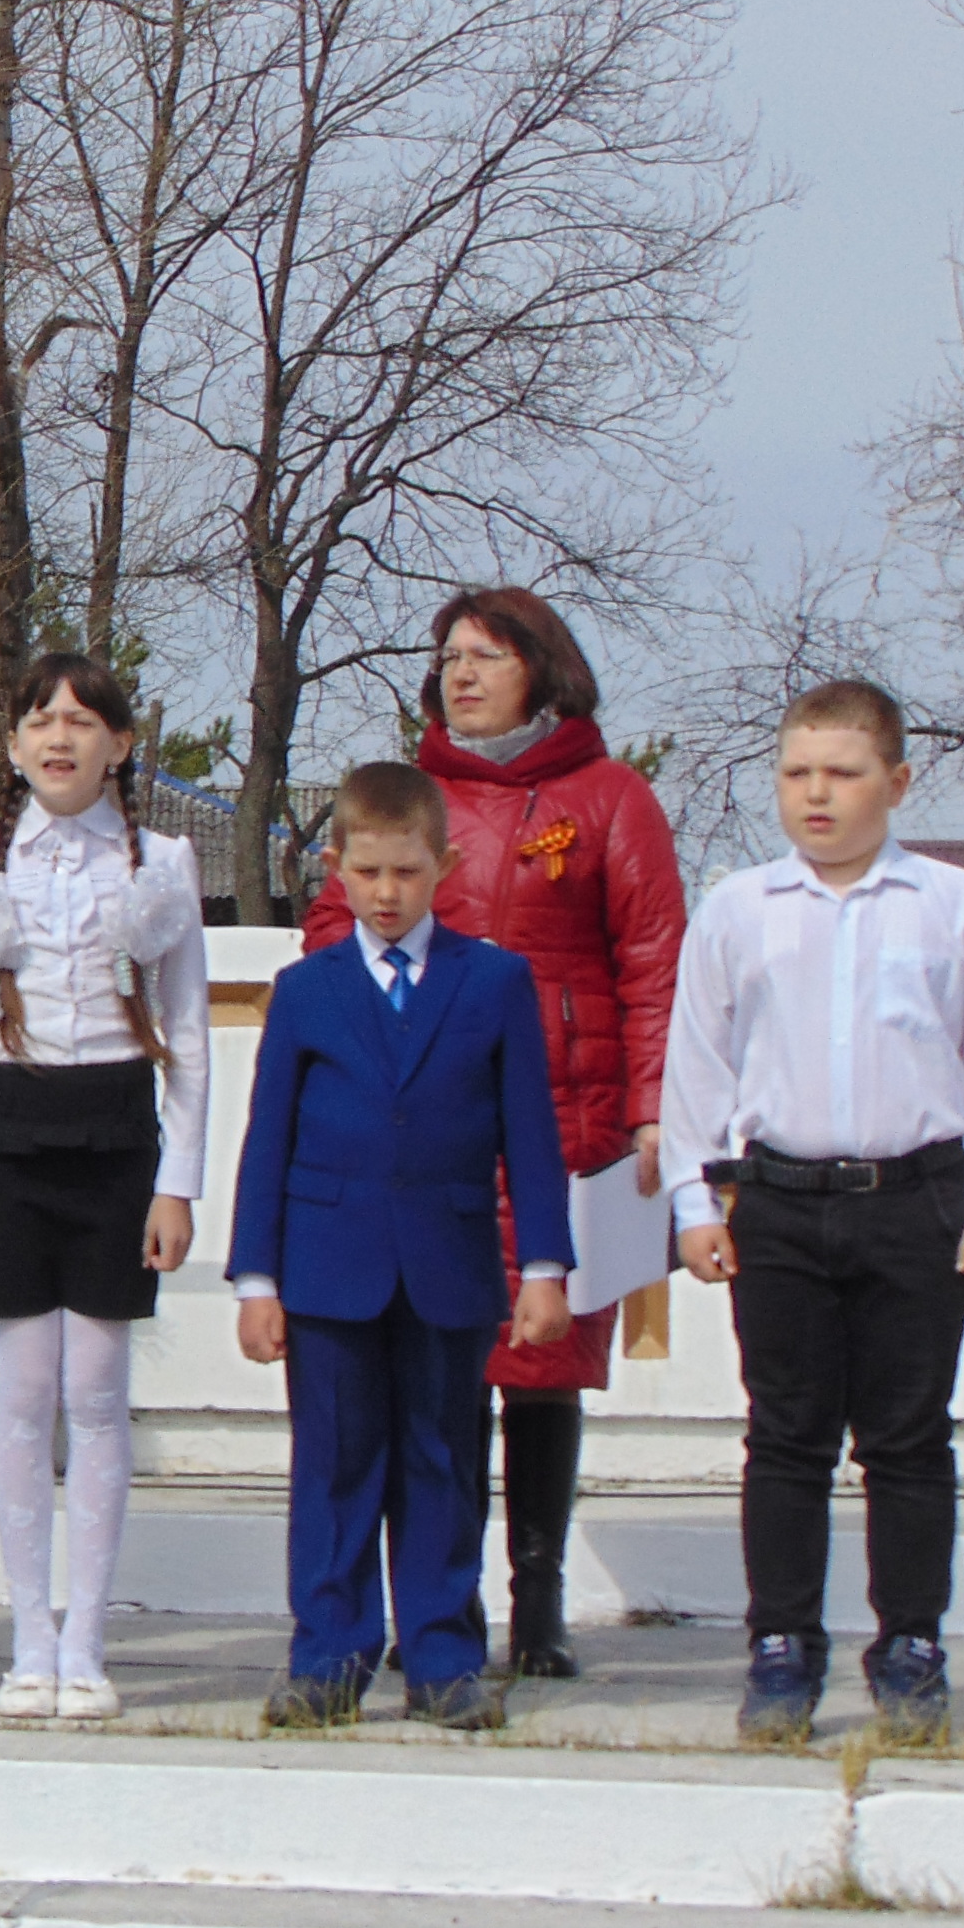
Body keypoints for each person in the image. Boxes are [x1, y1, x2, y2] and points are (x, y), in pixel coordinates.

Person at [298, 586, 684, 1678]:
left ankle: (540, 1599)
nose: (461, 675)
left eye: (486, 656)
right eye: (450, 658)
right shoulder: (411, 801)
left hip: (565, 1120)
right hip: (433, 1130)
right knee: (444, 1367)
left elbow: (653, 958)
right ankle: (445, 1601)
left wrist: (653, 1105)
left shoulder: (610, 797)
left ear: (542, 669)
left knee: (545, 1364)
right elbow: (329, 934)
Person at [659, 680, 964, 1746]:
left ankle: (911, 1644)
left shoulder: (953, 905)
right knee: (785, 1435)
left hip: (915, 1201)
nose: (816, 794)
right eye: (797, 773)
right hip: (780, 1203)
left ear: (897, 781)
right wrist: (695, 1198)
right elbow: (698, 1065)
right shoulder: (741, 908)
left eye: (842, 773)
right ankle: (782, 1645)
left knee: (909, 1437)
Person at [229, 763, 573, 1733]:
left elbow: (530, 1136)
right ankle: (328, 1656)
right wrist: (256, 1278)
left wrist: (544, 1267)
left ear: (445, 866)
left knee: (442, 1462)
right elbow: (268, 1140)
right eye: (369, 871)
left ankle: (443, 1657)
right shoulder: (306, 991)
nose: (387, 893)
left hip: (448, 1264)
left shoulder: (493, 981)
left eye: (408, 873)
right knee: (334, 1466)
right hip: (327, 1268)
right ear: (336, 865)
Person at [0, 654, 209, 1724]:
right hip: (7, 1131)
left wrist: (177, 1182)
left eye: (84, 721)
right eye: (40, 719)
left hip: (115, 1132)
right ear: (12, 745)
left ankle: (86, 1640)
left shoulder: (163, 861)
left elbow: (188, 1033)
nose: (61, 737)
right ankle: (28, 1639)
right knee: (22, 1391)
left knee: (95, 1391)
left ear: (120, 746)